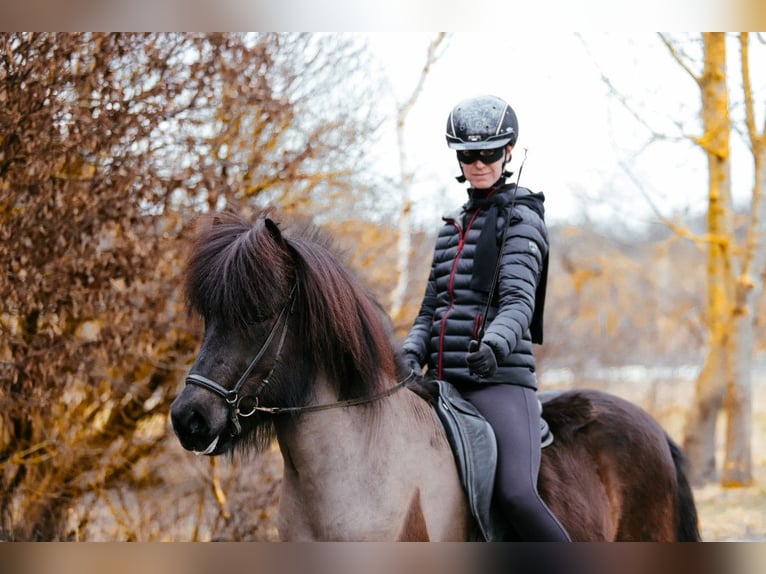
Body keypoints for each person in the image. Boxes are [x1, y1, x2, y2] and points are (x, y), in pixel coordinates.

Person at [401, 94, 570, 541]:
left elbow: (518, 302)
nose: (478, 163)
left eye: (489, 153)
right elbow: (431, 308)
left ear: (507, 153)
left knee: (516, 493)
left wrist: (493, 346)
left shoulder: (521, 219)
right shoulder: (450, 228)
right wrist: (409, 351)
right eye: (468, 154)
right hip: (442, 379)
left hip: (497, 379)